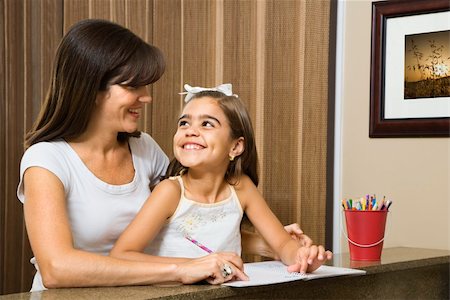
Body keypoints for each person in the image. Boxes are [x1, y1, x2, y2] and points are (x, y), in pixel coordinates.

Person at [17, 19, 311, 291]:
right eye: (132, 85)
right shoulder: (46, 160)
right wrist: (181, 269)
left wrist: (277, 246)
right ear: (91, 87)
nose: (146, 96)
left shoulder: (144, 149)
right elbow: (57, 269)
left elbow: (184, 226)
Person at [110, 84, 333, 280]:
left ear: (235, 147)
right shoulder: (170, 191)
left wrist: (303, 256)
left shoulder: (242, 188)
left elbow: (282, 244)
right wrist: (191, 266)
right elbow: (122, 255)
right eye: (184, 123)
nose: (191, 131)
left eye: (207, 124)